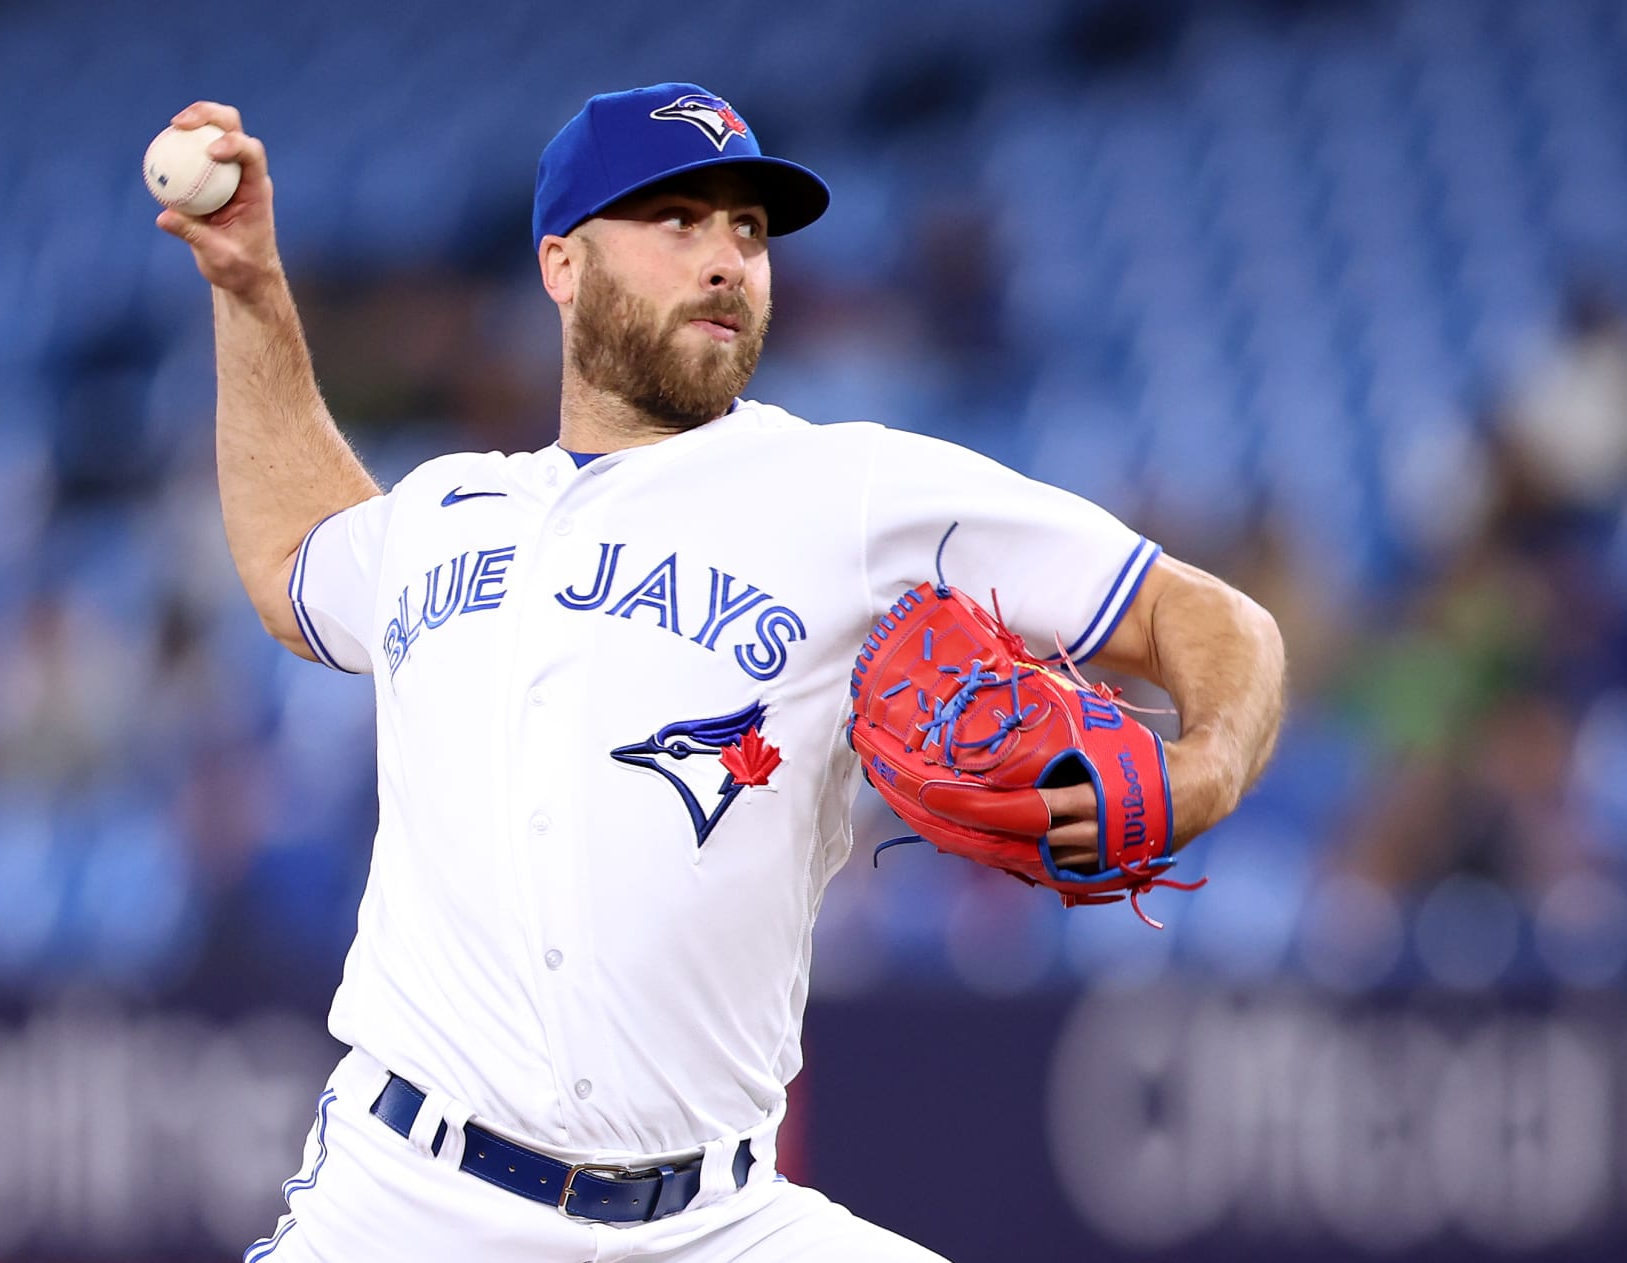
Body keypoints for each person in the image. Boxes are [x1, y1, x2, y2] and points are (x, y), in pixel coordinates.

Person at [158, 83, 1286, 1263]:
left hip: (718, 1223)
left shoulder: (850, 492)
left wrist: (1203, 766)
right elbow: (293, 559)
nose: (726, 260)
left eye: (748, 230)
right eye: (677, 221)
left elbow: (1206, 618)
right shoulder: (444, 510)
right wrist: (248, 286)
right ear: (562, 265)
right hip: (409, 1207)